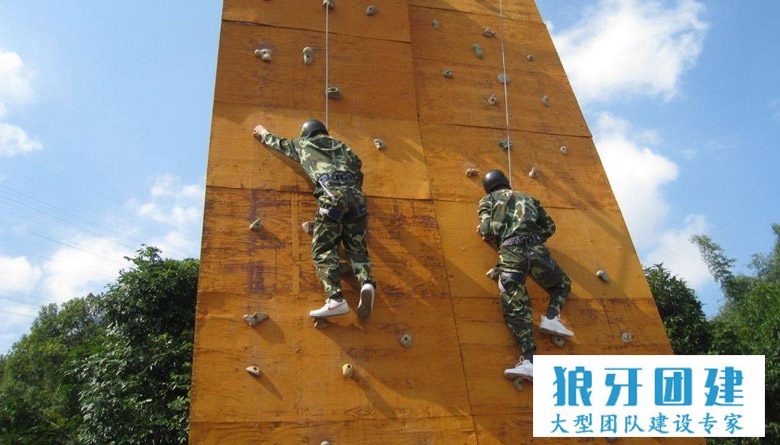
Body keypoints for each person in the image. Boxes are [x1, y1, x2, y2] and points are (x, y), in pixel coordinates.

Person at [253, 119, 376, 320]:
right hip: (357, 198)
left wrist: (263, 133)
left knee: (323, 250)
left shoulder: (303, 144)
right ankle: (367, 282)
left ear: (306, 133)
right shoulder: (343, 146)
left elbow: (281, 144)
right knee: (357, 249)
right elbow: (357, 165)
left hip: (332, 197)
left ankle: (335, 299)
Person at [477, 169, 573, 381]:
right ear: (506, 182)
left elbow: (486, 230)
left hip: (511, 255)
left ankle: (530, 362)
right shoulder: (529, 198)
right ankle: (551, 317)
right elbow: (550, 227)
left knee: (516, 307)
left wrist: (490, 233)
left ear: (488, 187)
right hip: (537, 252)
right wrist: (534, 238)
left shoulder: (488, 200)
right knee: (562, 284)